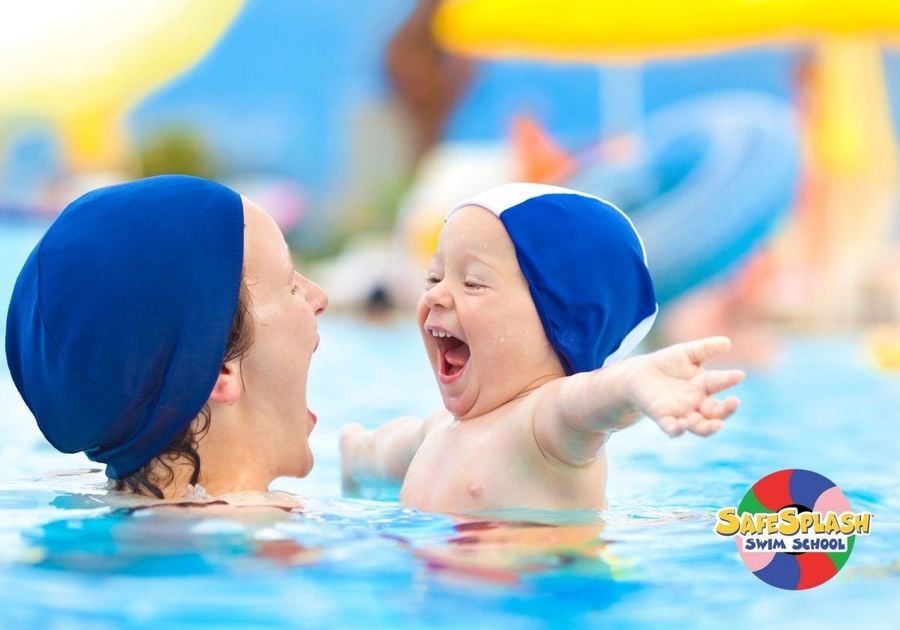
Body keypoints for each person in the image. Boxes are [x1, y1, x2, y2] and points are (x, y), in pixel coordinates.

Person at [341, 183, 744, 513]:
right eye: (433, 277)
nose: (437, 296)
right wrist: (358, 454)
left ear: (562, 325)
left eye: (474, 283)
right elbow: (387, 451)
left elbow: (590, 401)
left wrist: (634, 380)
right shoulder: (437, 431)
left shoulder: (543, 427)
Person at [5, 175, 328, 503]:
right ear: (220, 368)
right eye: (289, 284)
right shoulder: (267, 541)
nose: (319, 298)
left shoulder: (101, 508)